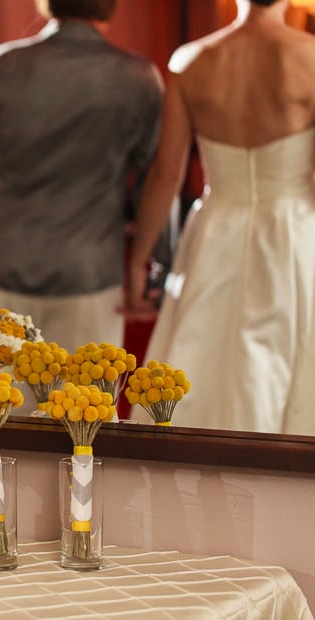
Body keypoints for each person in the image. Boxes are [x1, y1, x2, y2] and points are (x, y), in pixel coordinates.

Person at [0, 0, 171, 361]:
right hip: (88, 274)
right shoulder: (137, 79)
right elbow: (156, 183)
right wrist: (157, 264)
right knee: (82, 411)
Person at [126, 0, 315, 435]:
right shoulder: (308, 57)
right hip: (295, 229)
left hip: (216, 229)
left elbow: (165, 175)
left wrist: (140, 259)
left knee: (202, 356)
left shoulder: (191, 61)